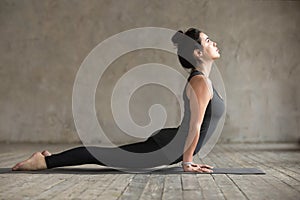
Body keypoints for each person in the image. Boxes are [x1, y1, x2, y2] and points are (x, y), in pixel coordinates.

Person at [12, 28, 224, 172]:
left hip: (173, 145)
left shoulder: (203, 81)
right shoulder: (201, 83)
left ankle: (53, 157)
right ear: (197, 52)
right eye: (207, 40)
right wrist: (188, 162)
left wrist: (187, 158)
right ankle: (45, 161)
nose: (213, 42)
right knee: (106, 157)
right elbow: (195, 126)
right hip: (170, 148)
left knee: (109, 156)